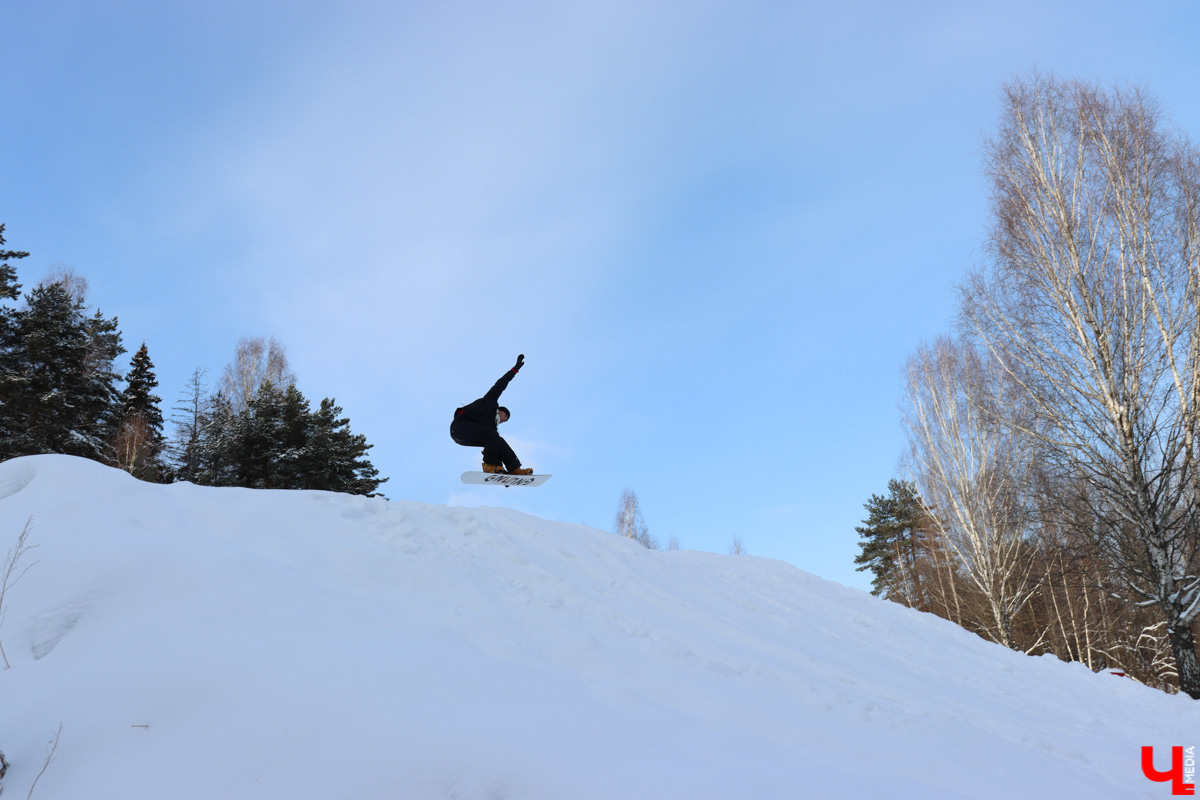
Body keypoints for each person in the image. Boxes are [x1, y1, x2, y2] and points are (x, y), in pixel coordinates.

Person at [451, 354, 533, 475]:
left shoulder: (490, 428)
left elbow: (493, 447)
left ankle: (514, 468)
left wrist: (500, 471)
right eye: (505, 416)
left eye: (506, 420)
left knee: (498, 440)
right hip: (460, 427)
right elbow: (500, 384)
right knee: (493, 435)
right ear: (499, 410)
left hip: (466, 437)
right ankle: (488, 465)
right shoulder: (490, 402)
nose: (504, 420)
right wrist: (514, 370)